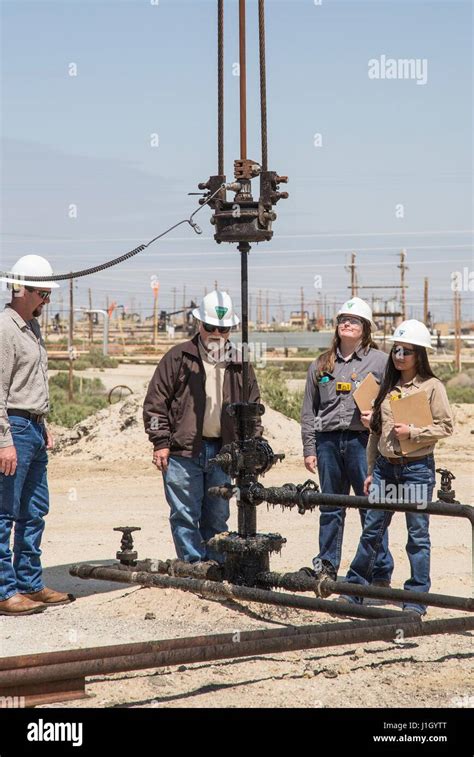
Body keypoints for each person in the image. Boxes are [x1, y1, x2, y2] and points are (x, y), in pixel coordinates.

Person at [343, 319, 454, 615]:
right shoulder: (388, 387)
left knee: (417, 535)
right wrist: (370, 470)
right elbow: (375, 434)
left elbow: (446, 426)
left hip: (416, 468)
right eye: (396, 350)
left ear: (419, 354)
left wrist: (414, 432)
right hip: (384, 468)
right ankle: (354, 589)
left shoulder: (432, 387)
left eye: (406, 351)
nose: (399, 356)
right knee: (372, 530)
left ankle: (416, 598)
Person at [143, 290, 262, 563]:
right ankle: (193, 568)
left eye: (223, 328)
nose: (216, 334)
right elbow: (154, 403)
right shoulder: (178, 357)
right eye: (210, 327)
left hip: (224, 452)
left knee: (218, 516)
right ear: (199, 325)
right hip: (183, 453)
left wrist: (251, 446)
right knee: (185, 515)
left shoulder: (240, 362)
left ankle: (217, 568)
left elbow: (252, 408)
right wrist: (160, 442)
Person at [0, 255, 75, 616]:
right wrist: (4, 440)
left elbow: (29, 383)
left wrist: (41, 426)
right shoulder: (5, 328)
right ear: (21, 289)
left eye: (48, 294)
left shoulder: (31, 327)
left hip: (32, 426)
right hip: (12, 428)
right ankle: (3, 590)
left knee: (33, 510)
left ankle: (29, 582)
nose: (47, 300)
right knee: (4, 511)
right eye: (42, 293)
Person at [301, 297, 393, 583]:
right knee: (330, 507)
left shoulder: (381, 362)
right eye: (343, 319)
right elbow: (308, 410)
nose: (347, 324)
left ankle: (379, 572)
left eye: (354, 320)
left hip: (363, 443)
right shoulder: (320, 364)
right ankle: (327, 566)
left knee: (371, 508)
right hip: (327, 444)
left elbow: (394, 401)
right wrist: (309, 448)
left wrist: (378, 419)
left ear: (365, 328)